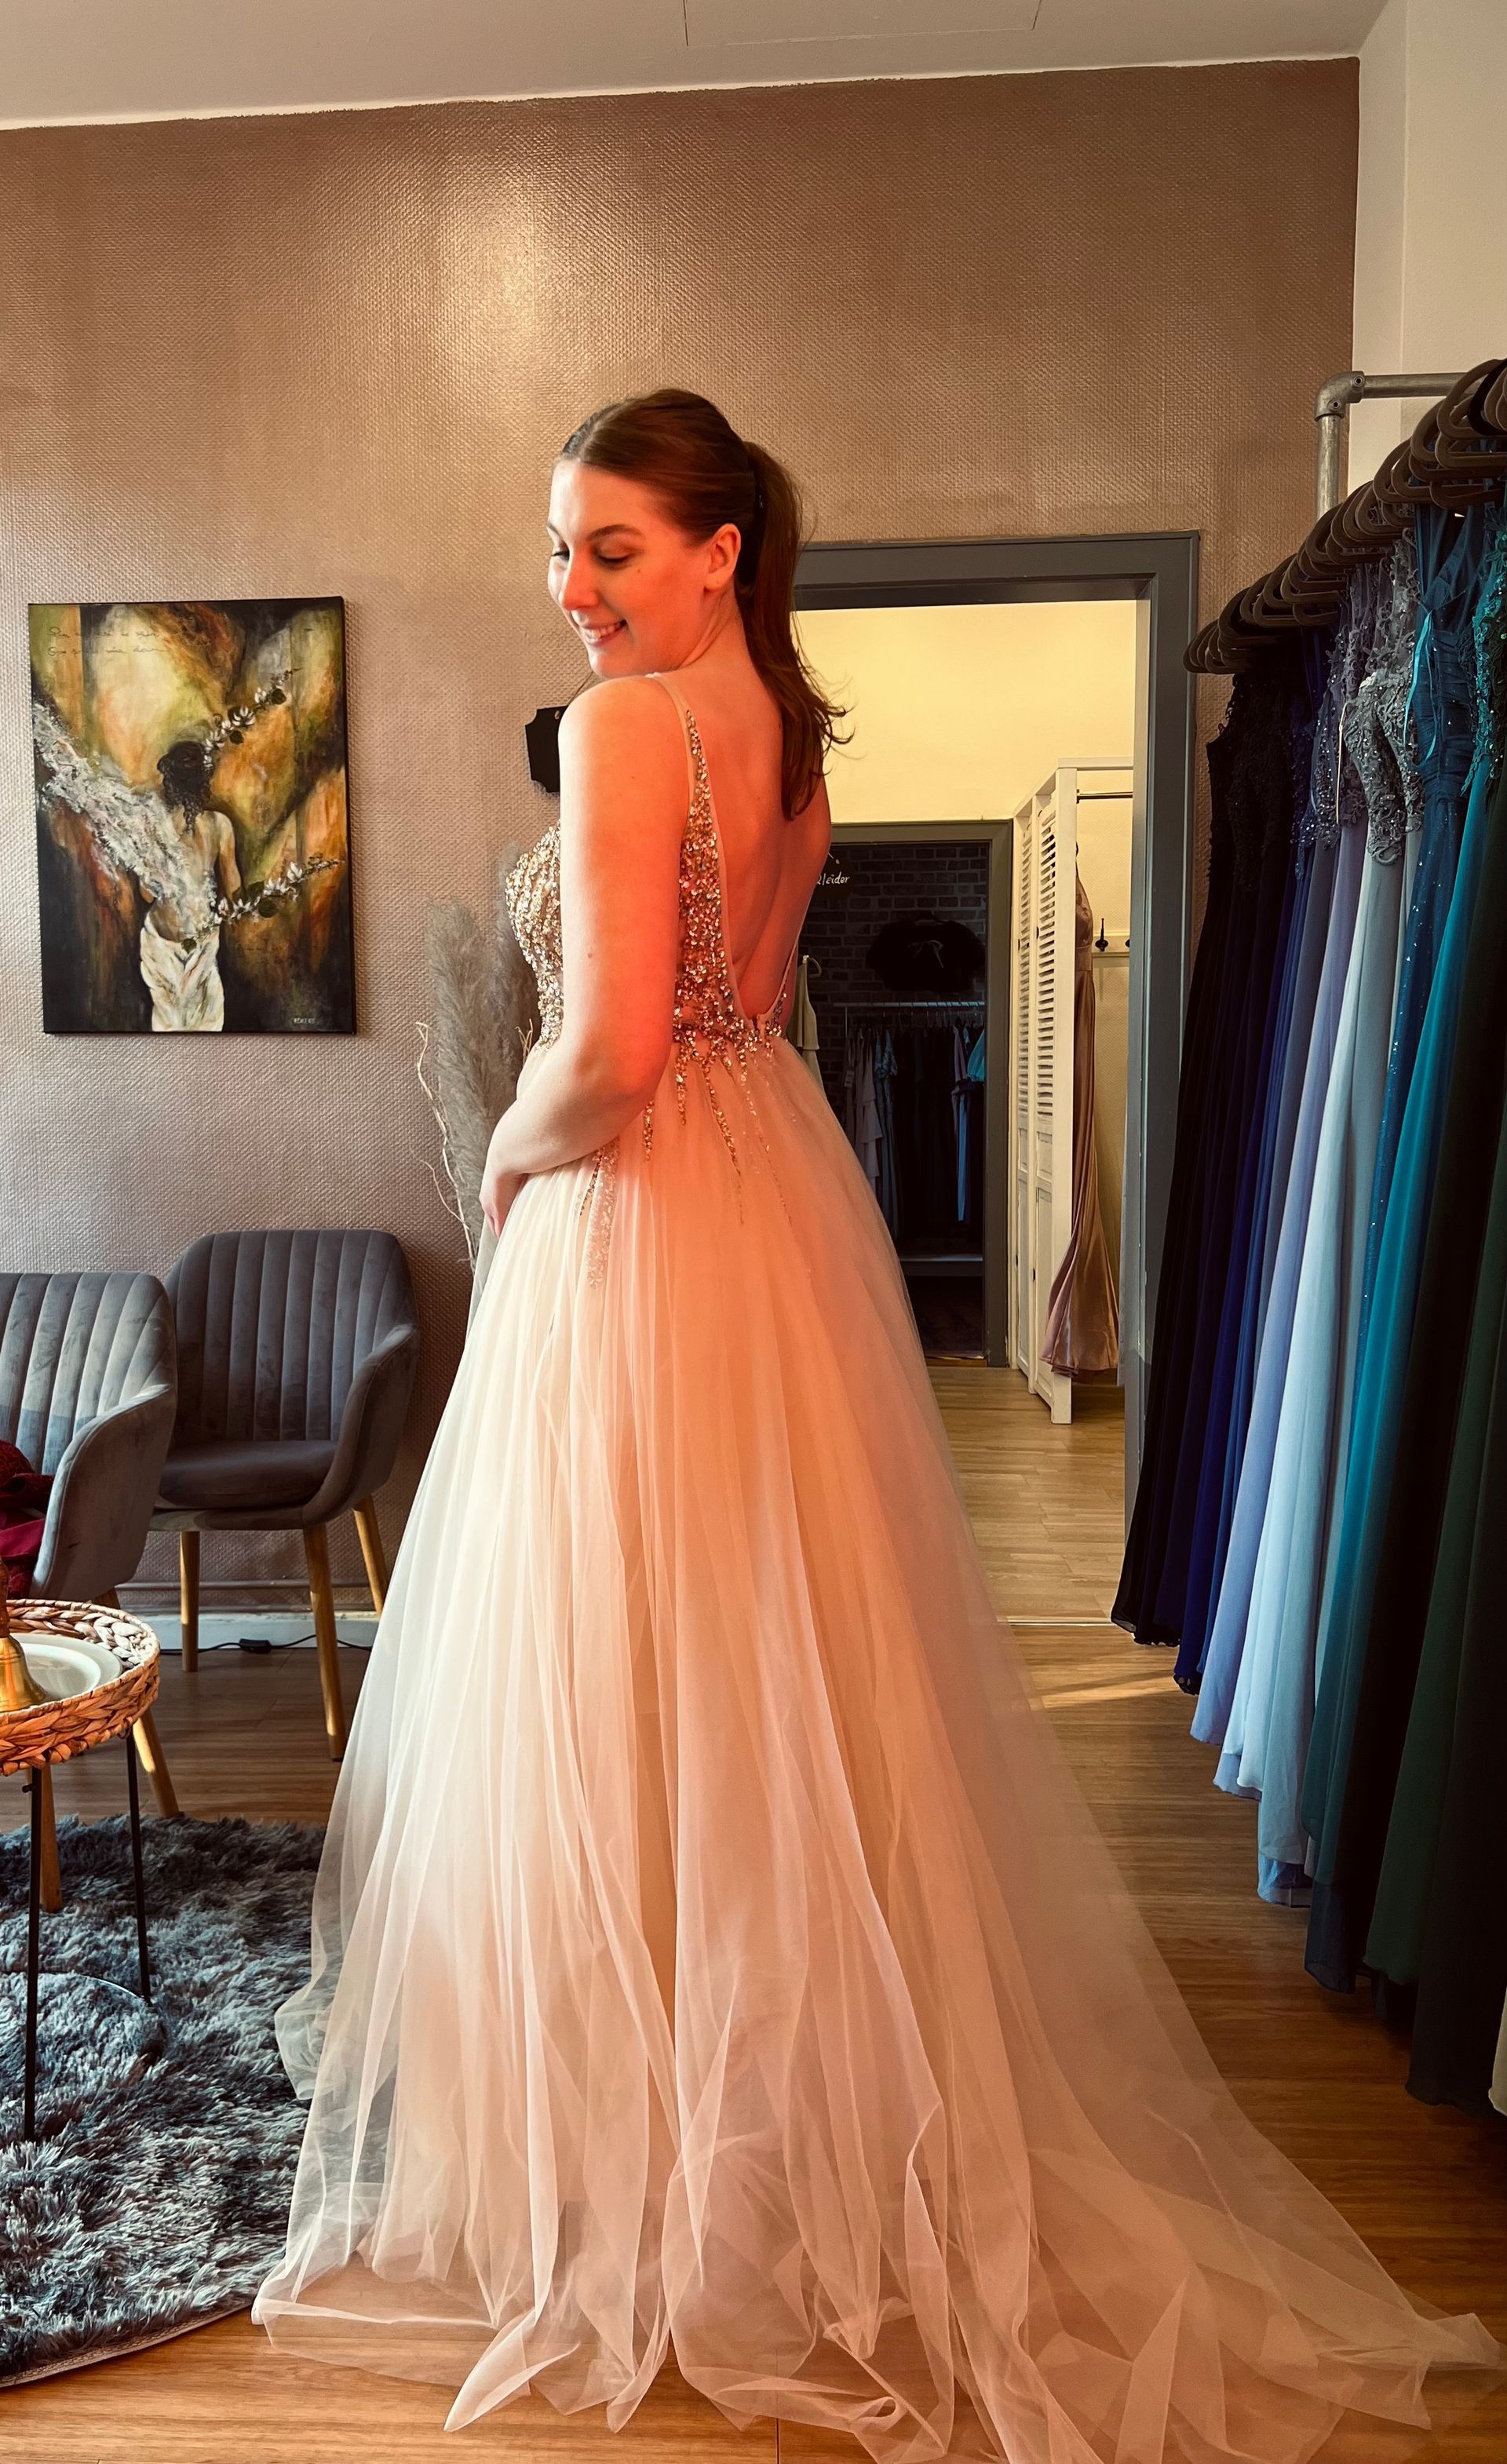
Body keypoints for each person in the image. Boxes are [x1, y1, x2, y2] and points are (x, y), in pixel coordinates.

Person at [254, 389, 1498, 2462]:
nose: (570, 588)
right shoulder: (792, 746)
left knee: (618, 1679)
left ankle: (643, 2155)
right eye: (559, 547)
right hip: (772, 1207)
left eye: (609, 547)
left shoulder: (630, 729)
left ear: (718, 548)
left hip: (639, 1220)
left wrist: (505, 1169)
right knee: (778, 1684)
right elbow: (742, 1009)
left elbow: (613, 1051)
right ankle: (762, 2135)